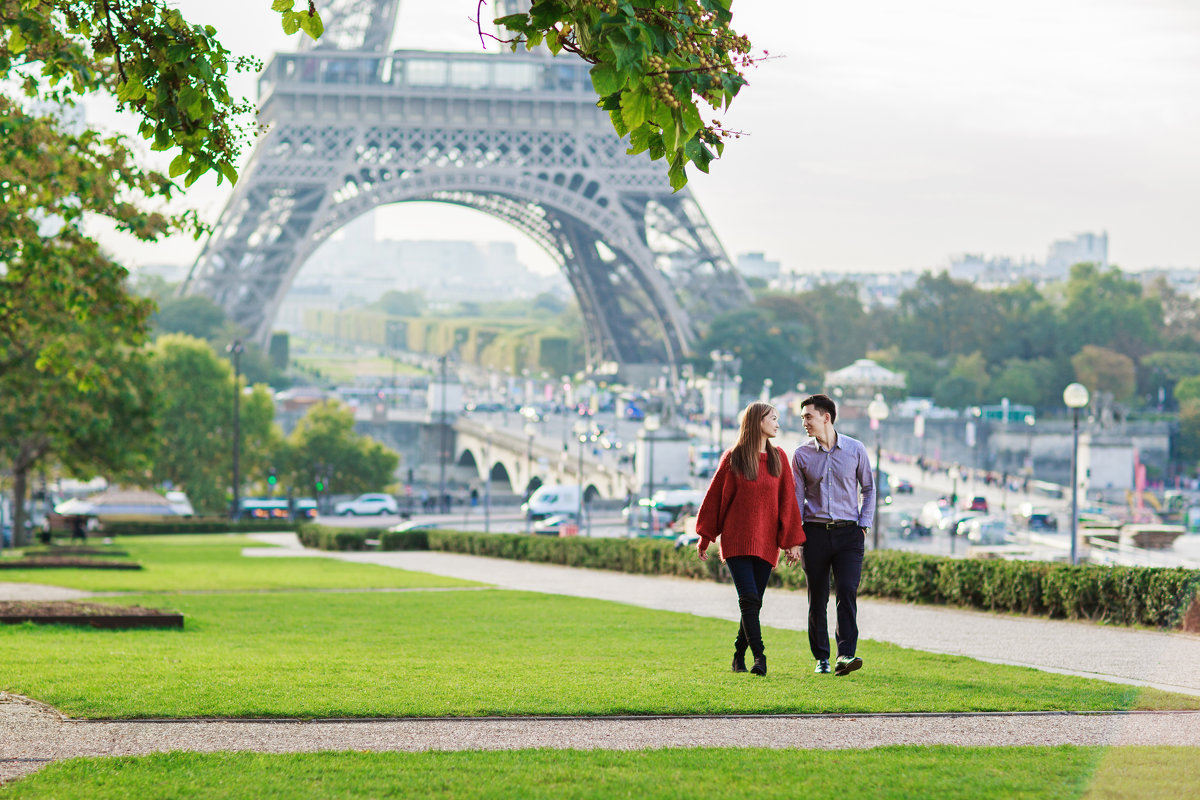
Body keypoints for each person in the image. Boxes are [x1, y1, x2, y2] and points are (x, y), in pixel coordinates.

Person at [695, 401, 805, 676]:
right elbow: (716, 498)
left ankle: (737, 656)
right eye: (773, 418)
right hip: (737, 541)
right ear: (757, 421)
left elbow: (788, 503)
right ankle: (760, 658)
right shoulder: (734, 457)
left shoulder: (779, 457)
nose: (778, 424)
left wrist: (792, 542)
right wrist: (706, 536)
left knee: (753, 603)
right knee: (748, 600)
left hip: (766, 543)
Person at [786, 393, 875, 676]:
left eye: (808, 417)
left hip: (849, 534)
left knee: (847, 592)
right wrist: (796, 539)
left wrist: (864, 524)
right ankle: (822, 658)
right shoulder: (801, 454)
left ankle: (845, 656)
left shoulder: (855, 449)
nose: (804, 423)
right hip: (814, 534)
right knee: (818, 598)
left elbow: (869, 489)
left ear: (826, 417)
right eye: (802, 418)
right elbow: (796, 499)